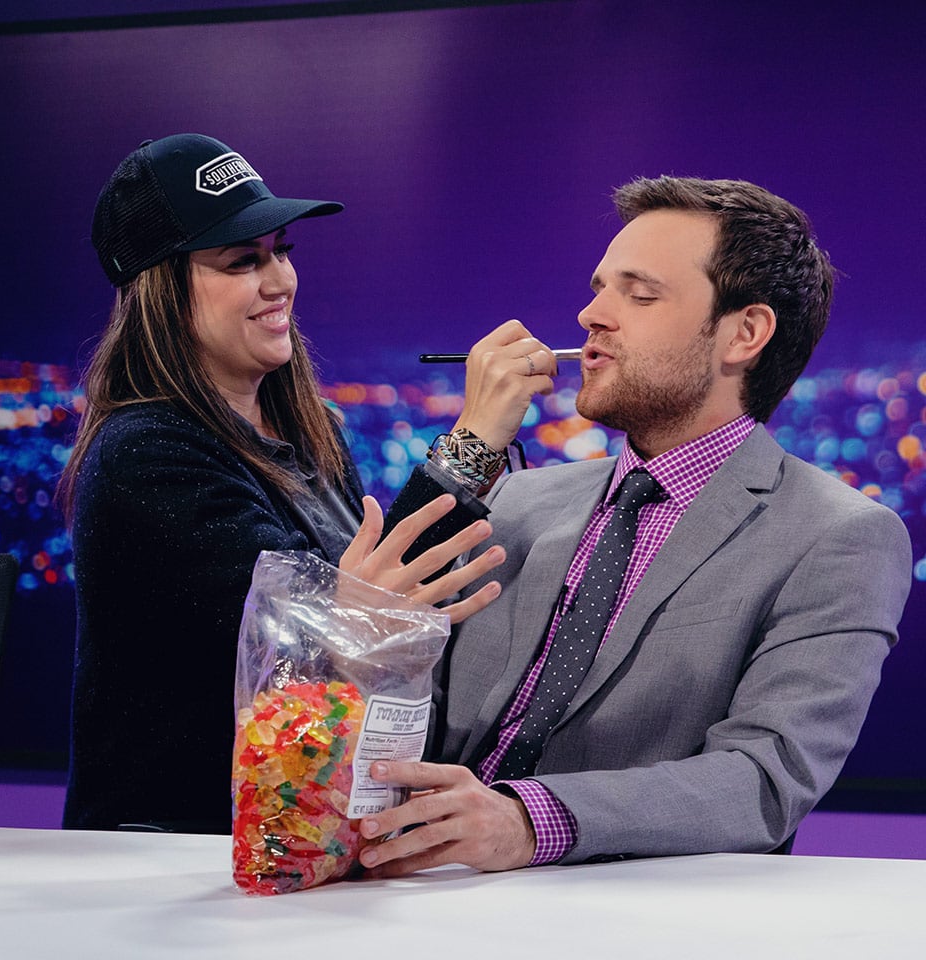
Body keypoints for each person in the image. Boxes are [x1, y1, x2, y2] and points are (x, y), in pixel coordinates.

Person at [355, 176, 913, 874]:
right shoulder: (524, 500)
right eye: (597, 290)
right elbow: (382, 649)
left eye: (639, 294)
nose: (592, 315)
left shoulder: (839, 536)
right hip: (406, 894)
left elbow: (764, 780)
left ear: (745, 333)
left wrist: (527, 820)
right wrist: (473, 440)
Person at [58, 134, 548, 832]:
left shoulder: (308, 429)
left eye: (281, 250)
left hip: (304, 835)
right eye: (242, 260)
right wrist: (469, 444)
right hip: (178, 854)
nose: (280, 279)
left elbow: (369, 609)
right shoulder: (145, 453)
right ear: (162, 292)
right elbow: (320, 633)